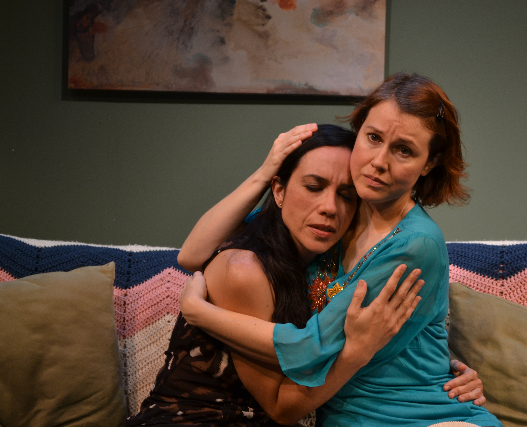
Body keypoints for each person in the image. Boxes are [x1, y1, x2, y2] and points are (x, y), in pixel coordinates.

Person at [179, 73, 502, 427]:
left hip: (426, 418)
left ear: (429, 163)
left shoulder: (415, 243)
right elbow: (194, 254)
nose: (379, 162)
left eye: (404, 150)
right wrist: (264, 173)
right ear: (358, 132)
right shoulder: (340, 211)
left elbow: (312, 349)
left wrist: (201, 314)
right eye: (373, 138)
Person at [126, 125, 426, 427]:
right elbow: (282, 408)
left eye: (346, 195)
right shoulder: (244, 269)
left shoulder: (331, 259)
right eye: (314, 187)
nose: (330, 208)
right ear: (279, 191)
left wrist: (444, 369)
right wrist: (355, 355)